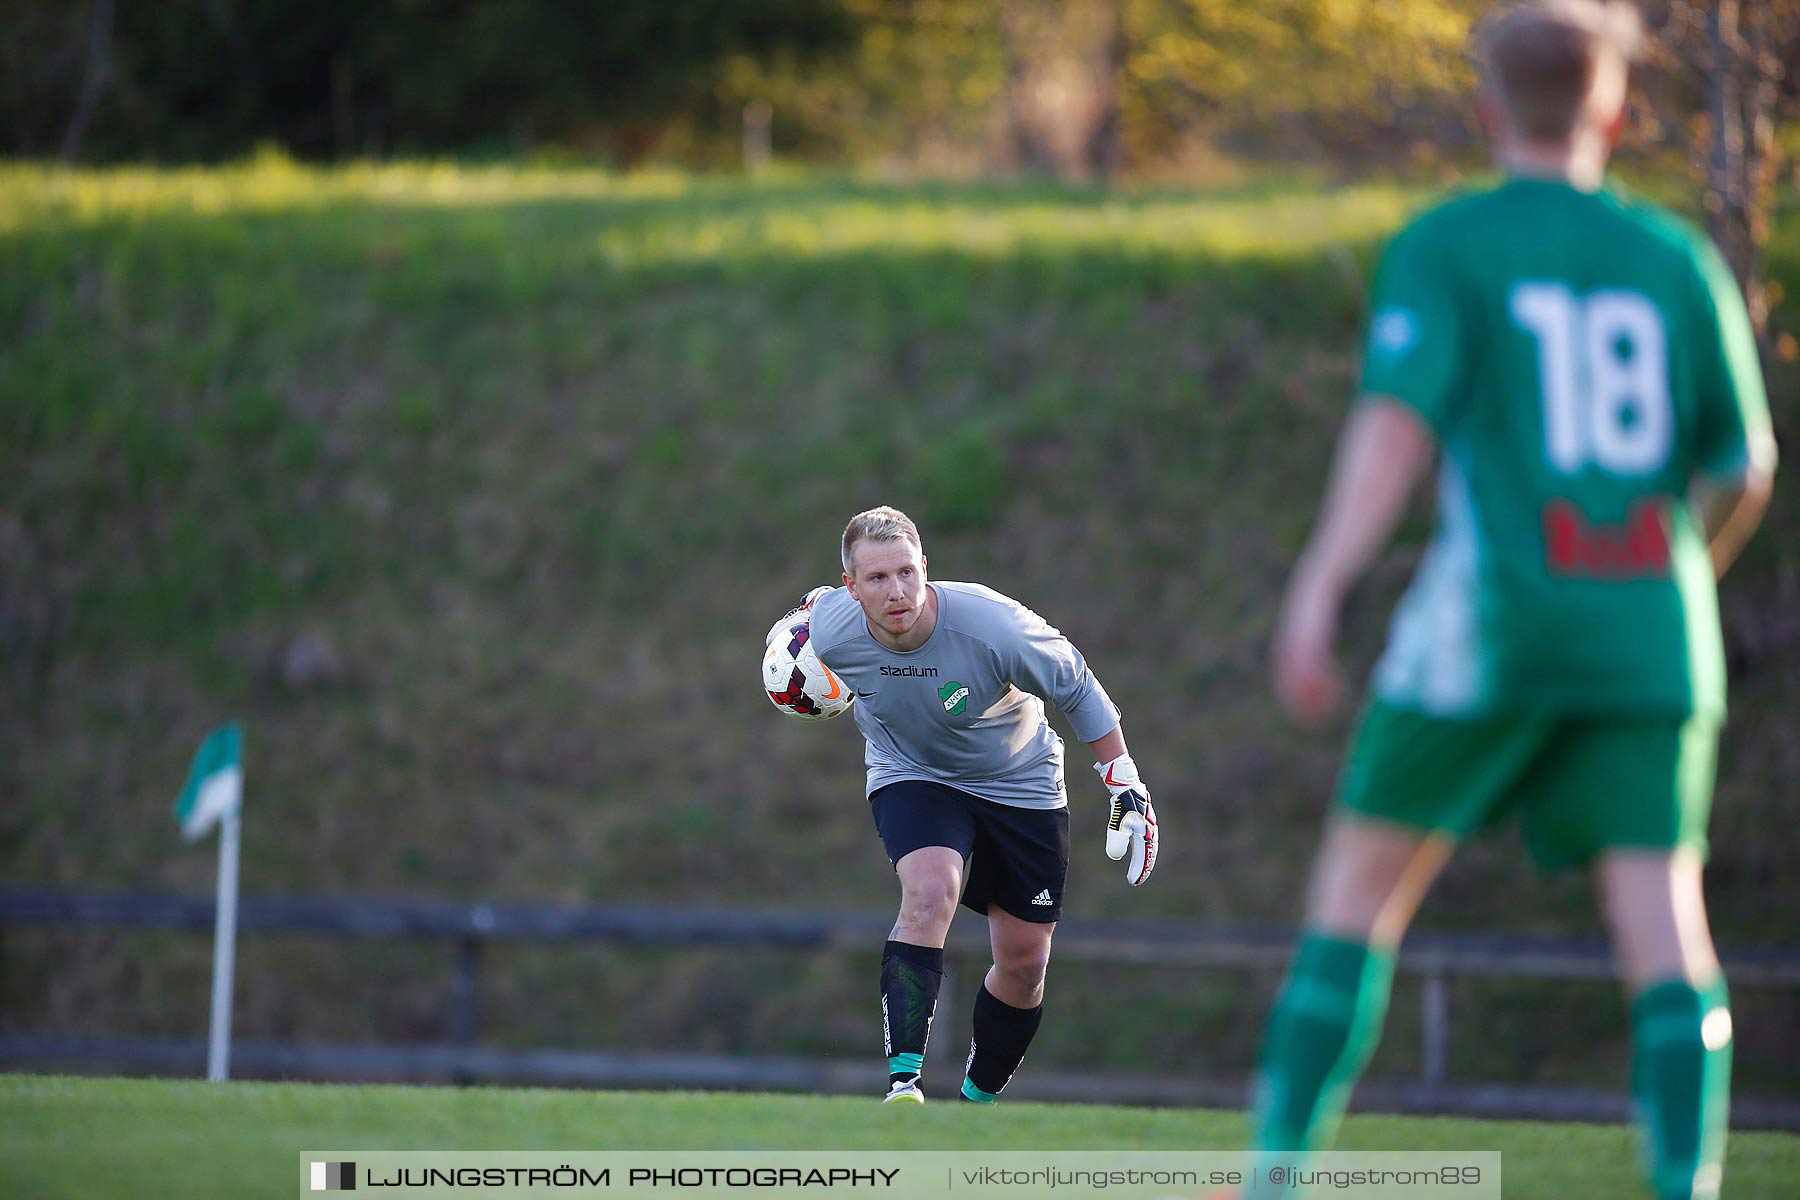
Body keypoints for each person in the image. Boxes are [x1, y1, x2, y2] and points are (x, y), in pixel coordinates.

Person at [1246, 3, 1776, 1197]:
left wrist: (1320, 587)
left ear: (1486, 108)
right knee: (1663, 928)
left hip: (1495, 626)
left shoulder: (1450, 246)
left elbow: (1394, 428)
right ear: (1618, 112)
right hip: (1651, 634)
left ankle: (1277, 1179)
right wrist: (1670, 570)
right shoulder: (1676, 258)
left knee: (1357, 901)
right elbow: (1744, 466)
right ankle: (1683, 1184)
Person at [790, 504, 1159, 1104]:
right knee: (930, 892)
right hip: (912, 771)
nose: (897, 591)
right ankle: (903, 1087)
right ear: (850, 588)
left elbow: (1077, 685)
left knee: (1024, 963)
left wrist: (1126, 785)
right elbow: (801, 623)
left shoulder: (993, 627)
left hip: (1020, 783)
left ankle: (975, 1105)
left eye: (907, 572)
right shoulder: (833, 630)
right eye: (877, 579)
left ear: (925, 568)